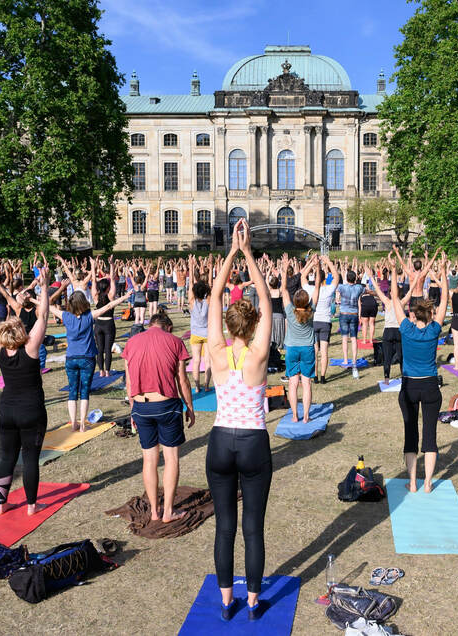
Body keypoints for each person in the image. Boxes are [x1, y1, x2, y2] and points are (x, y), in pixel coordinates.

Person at [205, 220, 273, 621]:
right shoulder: (259, 354)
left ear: (230, 327)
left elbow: (214, 298)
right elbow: (265, 301)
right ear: (252, 326)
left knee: (224, 528)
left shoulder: (216, 349)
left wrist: (231, 252)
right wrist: (249, 254)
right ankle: (251, 603)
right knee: (253, 528)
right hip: (252, 442)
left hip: (220, 442)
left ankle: (227, 600)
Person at [122, 308, 195, 523]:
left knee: (149, 459)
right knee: (171, 458)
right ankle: (168, 511)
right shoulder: (174, 341)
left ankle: (154, 511)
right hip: (166, 404)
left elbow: (129, 382)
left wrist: (132, 409)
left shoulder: (132, 342)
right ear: (168, 327)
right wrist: (189, 407)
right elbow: (183, 380)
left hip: (141, 406)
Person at [0, 266, 50, 516]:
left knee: (7, 458)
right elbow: (43, 315)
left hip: (7, 411)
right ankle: (32, 506)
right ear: (22, 333)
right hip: (31, 411)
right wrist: (44, 286)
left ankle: (2, 505)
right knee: (31, 458)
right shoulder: (31, 348)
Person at [393, 255, 450, 493]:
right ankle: (427, 483)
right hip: (429, 387)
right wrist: (444, 272)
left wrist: (396, 271)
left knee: (410, 435)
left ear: (413, 315)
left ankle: (414, 482)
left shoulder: (406, 328)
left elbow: (395, 299)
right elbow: (445, 297)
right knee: (430, 436)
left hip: (409, 387)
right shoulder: (435, 329)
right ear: (430, 315)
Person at [49, 283, 128, 432]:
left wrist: (33, 300)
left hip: (71, 358)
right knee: (84, 391)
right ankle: (83, 424)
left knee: (73, 390)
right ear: (84, 303)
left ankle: (73, 423)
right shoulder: (89, 316)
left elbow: (48, 305)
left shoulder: (65, 316)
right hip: (87, 359)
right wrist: (124, 297)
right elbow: (108, 306)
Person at [281, 253, 320, 423]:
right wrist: (318, 269)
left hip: (292, 349)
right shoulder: (311, 310)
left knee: (292, 383)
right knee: (306, 383)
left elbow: (283, 290)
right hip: (307, 349)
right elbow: (317, 287)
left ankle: (295, 416)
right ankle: (305, 416)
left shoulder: (290, 311)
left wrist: (284, 268)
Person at [304, 255, 337, 384]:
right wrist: (328, 262)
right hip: (325, 322)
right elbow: (336, 276)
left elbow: (302, 277)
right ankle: (322, 377)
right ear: (324, 279)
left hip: (313, 321)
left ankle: (315, 376)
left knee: (315, 351)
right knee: (324, 351)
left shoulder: (310, 289)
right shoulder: (328, 290)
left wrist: (312, 264)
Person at [188, 280, 212, 392]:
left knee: (196, 360)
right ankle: (206, 386)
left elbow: (191, 287)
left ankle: (197, 387)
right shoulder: (208, 300)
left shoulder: (192, 301)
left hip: (196, 334)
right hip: (207, 334)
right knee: (207, 360)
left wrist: (191, 267)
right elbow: (210, 287)